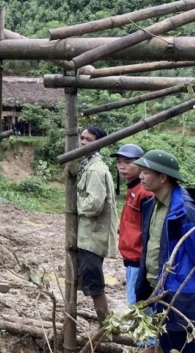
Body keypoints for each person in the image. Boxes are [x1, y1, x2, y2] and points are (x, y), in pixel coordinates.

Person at [134, 150, 195, 353]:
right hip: (159, 290)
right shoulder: (152, 205)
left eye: (146, 172)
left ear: (163, 177)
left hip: (181, 293)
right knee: (167, 343)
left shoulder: (184, 211)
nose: (141, 177)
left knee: (182, 346)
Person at [111, 143, 156, 348]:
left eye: (128, 162)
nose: (122, 166)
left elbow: (149, 232)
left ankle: (147, 346)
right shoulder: (132, 190)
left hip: (140, 261)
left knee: (139, 309)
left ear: (141, 165)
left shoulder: (144, 193)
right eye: (119, 162)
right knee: (138, 308)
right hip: (131, 259)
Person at [76, 126, 118, 323]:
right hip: (88, 236)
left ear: (99, 144)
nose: (83, 142)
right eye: (82, 138)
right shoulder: (88, 165)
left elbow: (94, 205)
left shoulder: (94, 169)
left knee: (94, 283)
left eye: (89, 140)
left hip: (92, 237)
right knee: (87, 279)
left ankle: (106, 325)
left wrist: (75, 206)